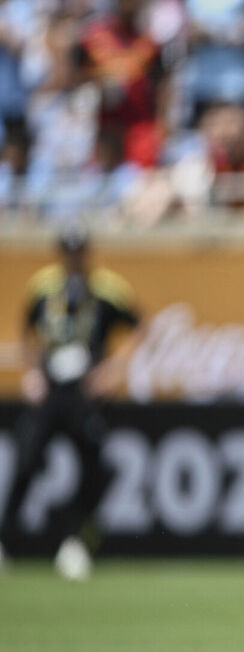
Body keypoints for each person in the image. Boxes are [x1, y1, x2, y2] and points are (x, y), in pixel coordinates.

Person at [0, 231, 140, 580]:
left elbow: (139, 327)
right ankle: (5, 542)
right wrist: (32, 371)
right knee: (26, 460)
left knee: (97, 467)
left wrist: (113, 369)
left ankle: (75, 542)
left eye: (79, 252)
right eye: (69, 252)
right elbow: (25, 331)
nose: (74, 259)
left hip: (84, 394)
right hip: (50, 390)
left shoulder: (107, 287)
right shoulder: (43, 286)